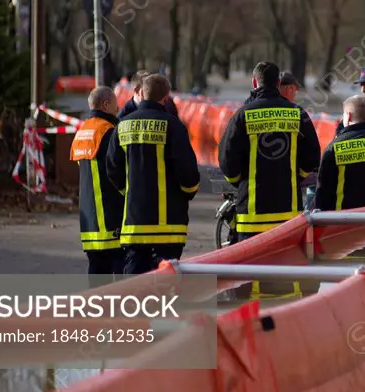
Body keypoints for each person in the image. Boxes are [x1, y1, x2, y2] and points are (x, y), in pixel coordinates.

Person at [106, 74, 200, 274]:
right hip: (170, 225)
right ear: (166, 98)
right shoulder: (174, 126)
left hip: (135, 223)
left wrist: (128, 192)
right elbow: (188, 171)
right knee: (167, 281)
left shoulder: (122, 125)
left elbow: (112, 168)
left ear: (141, 93)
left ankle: (135, 306)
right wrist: (188, 193)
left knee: (134, 282)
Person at [218, 61, 321, 241]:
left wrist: (238, 183)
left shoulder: (243, 115)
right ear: (278, 84)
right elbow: (313, 155)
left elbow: (227, 158)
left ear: (254, 83)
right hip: (288, 215)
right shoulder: (297, 113)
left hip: (250, 216)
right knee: (284, 267)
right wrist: (297, 177)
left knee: (252, 268)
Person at [71, 86, 125, 276]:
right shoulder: (108, 131)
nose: (118, 108)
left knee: (96, 273)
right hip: (110, 217)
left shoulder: (82, 132)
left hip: (89, 222)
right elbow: (117, 169)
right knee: (120, 273)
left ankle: (95, 306)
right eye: (115, 104)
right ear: (105, 104)